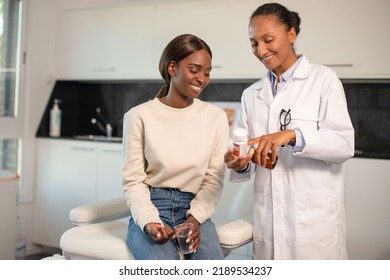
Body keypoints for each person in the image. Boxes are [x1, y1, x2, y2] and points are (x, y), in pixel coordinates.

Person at [224, 3, 355, 259]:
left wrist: (293, 135)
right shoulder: (251, 94)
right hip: (269, 222)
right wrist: (238, 161)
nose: (261, 50)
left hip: (314, 224)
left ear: (292, 35)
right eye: (254, 43)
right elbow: (244, 151)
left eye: (268, 39)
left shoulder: (323, 80)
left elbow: (343, 144)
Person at [122, 34, 229, 260]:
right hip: (152, 207)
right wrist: (149, 220)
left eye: (207, 72)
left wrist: (194, 220)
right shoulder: (139, 116)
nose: (201, 78)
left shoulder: (215, 118)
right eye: (194, 69)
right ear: (172, 68)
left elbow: (213, 180)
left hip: (194, 210)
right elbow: (133, 181)